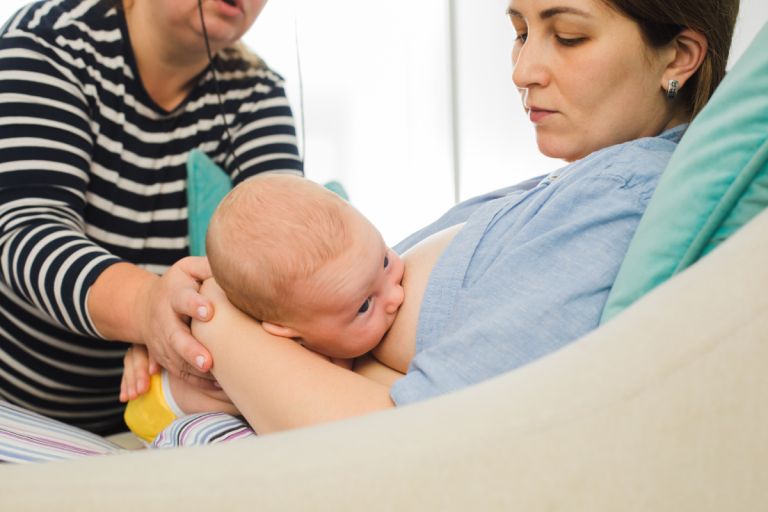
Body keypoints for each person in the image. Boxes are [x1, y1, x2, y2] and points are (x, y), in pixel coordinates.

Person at [123, 0, 735, 437]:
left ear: (679, 55)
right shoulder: (575, 181)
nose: (522, 71)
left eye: (569, 36)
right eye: (520, 31)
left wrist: (215, 321)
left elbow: (417, 444)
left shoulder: (619, 200)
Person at [0, 0, 301, 435]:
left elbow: (285, 263)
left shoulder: (257, 92)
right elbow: (24, 230)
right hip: (14, 410)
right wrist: (149, 310)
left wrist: (180, 321)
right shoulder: (48, 43)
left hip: (150, 422)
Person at [123, 174, 410, 442]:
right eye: (363, 306)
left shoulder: (320, 305)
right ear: (288, 332)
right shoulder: (296, 365)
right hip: (156, 408)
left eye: (384, 261)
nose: (396, 295)